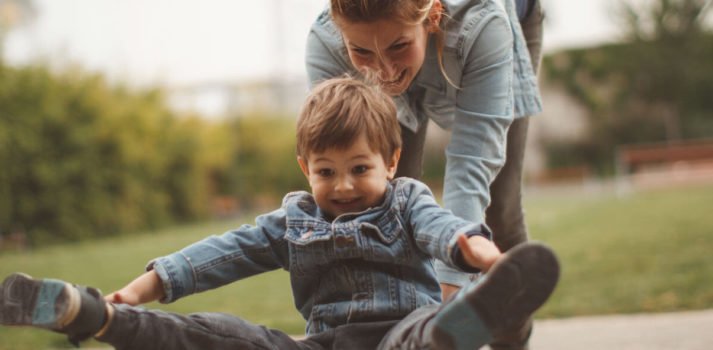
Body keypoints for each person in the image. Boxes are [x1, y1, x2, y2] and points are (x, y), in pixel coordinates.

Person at [0, 77, 559, 350]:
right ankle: (95, 316)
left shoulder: (407, 199)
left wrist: (473, 247)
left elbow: (439, 228)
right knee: (222, 337)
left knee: (420, 339)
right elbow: (225, 252)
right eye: (325, 171)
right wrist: (148, 284)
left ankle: (457, 328)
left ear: (391, 161)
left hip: (399, 333)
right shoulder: (294, 222)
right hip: (321, 346)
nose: (342, 186)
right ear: (304, 167)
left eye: (360, 169)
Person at [305, 0, 544, 348]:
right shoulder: (326, 42)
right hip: (414, 36)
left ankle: (512, 342)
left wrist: (451, 294)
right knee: (378, 208)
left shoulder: (482, 22)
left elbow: (471, 162)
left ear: (432, 15)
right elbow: (343, 179)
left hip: (503, 22)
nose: (385, 71)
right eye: (361, 51)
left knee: (498, 219)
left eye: (397, 46)